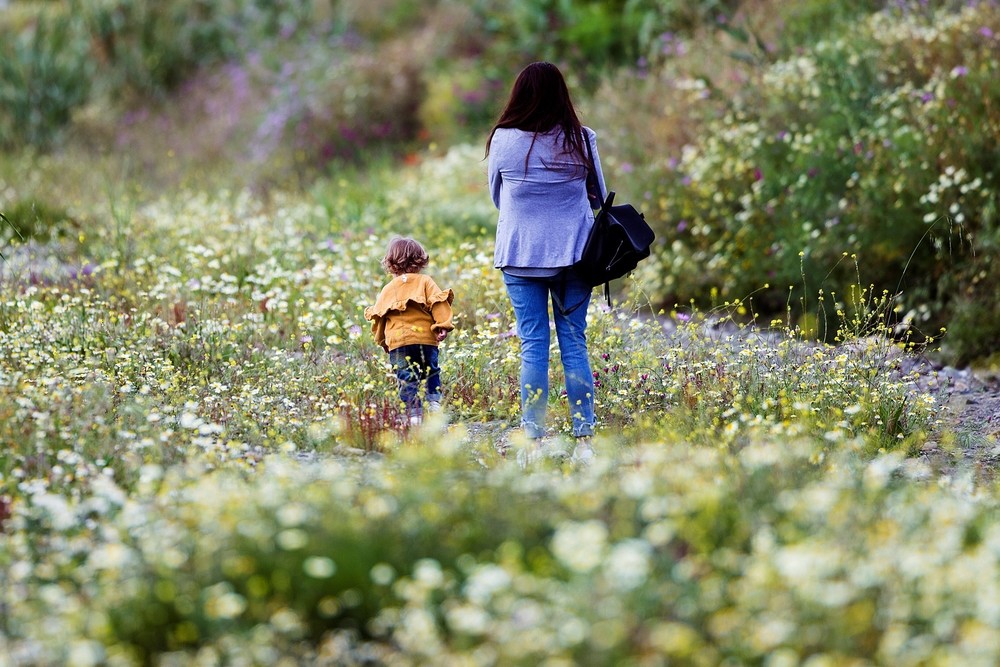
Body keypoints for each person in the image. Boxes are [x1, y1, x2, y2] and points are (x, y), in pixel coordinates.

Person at [486, 61, 607, 463]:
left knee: (532, 346)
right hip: (575, 256)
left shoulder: (503, 140)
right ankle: (585, 441)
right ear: (562, 94)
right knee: (575, 343)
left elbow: (497, 198)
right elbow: (599, 198)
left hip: (520, 256)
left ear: (519, 95)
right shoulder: (582, 139)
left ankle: (532, 445)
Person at [365, 237, 455, 425]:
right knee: (431, 370)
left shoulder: (388, 289)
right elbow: (438, 303)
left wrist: (383, 341)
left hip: (398, 341)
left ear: (390, 264)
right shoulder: (425, 281)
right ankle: (434, 402)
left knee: (406, 377)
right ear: (420, 260)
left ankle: (413, 415)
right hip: (425, 339)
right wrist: (442, 325)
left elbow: (380, 318)